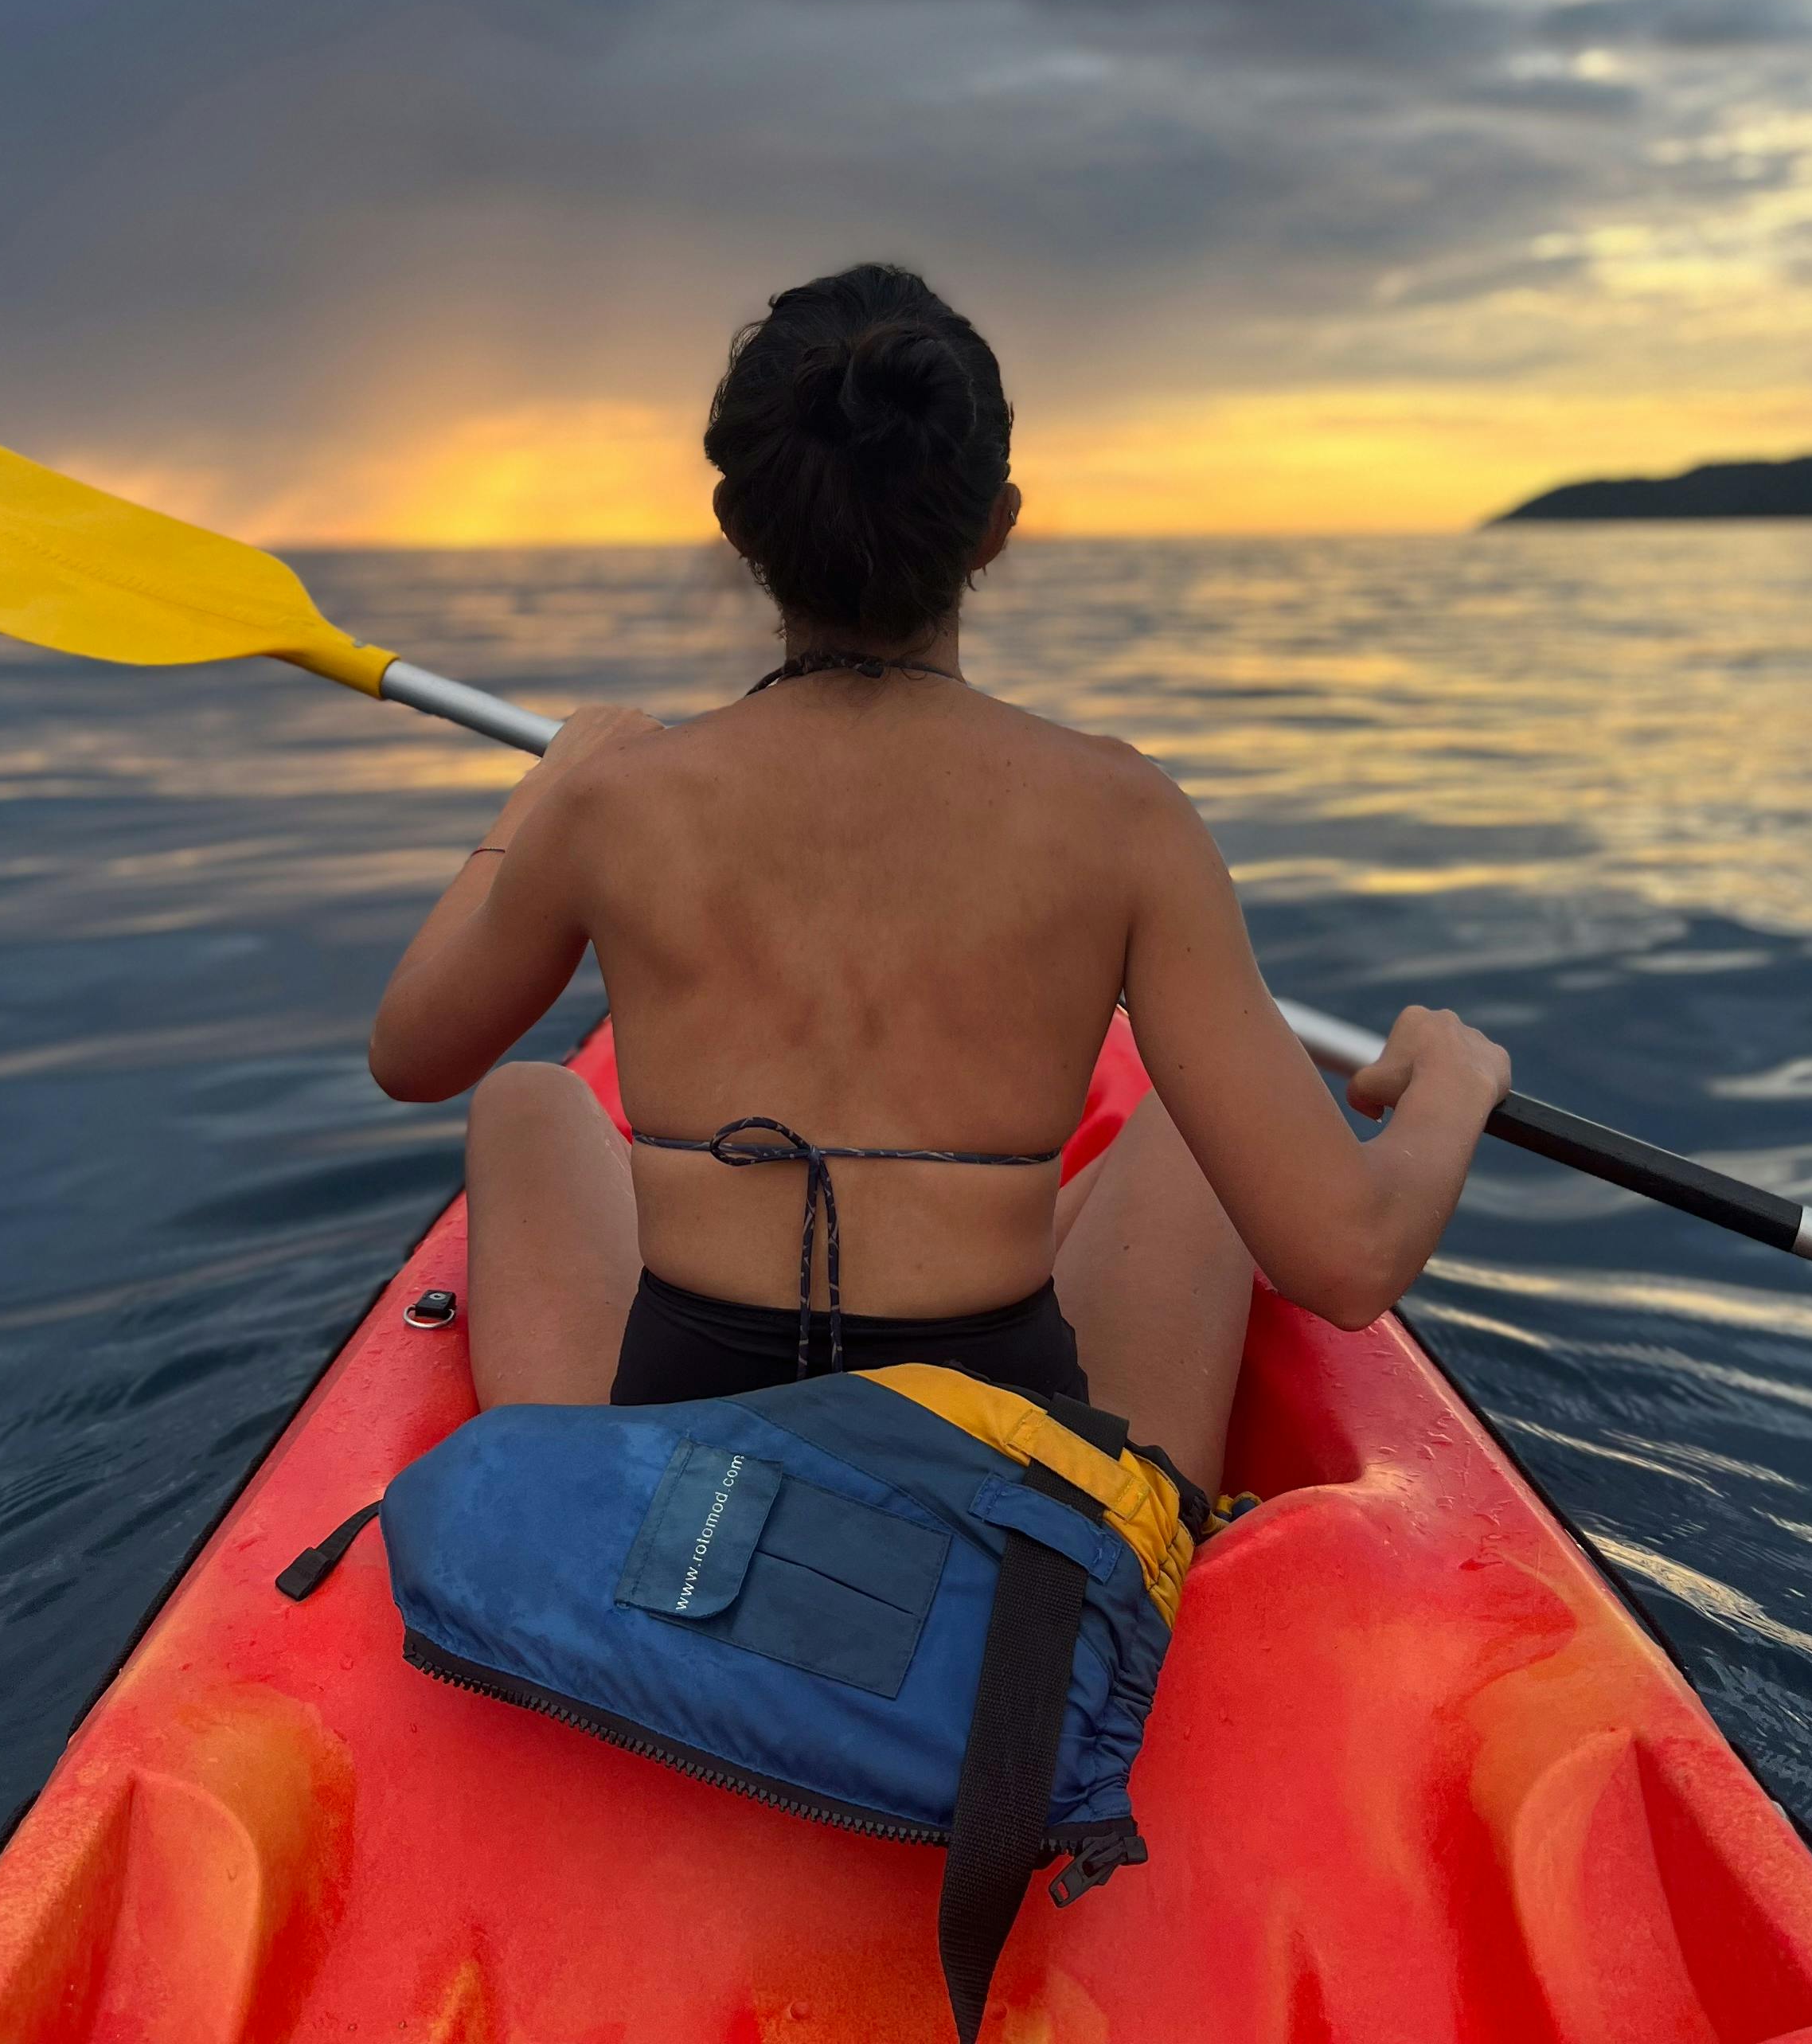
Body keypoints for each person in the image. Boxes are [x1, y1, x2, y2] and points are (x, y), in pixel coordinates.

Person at [369, 262, 1510, 1497]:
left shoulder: (614, 802)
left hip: (683, 1474)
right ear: (997, 526)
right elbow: (1349, 1257)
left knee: (528, 1097)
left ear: (738, 525)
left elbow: (413, 1053)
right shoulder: (1124, 816)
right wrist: (1452, 1079)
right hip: (999, 1500)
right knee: (1203, 1126)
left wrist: (537, 797)